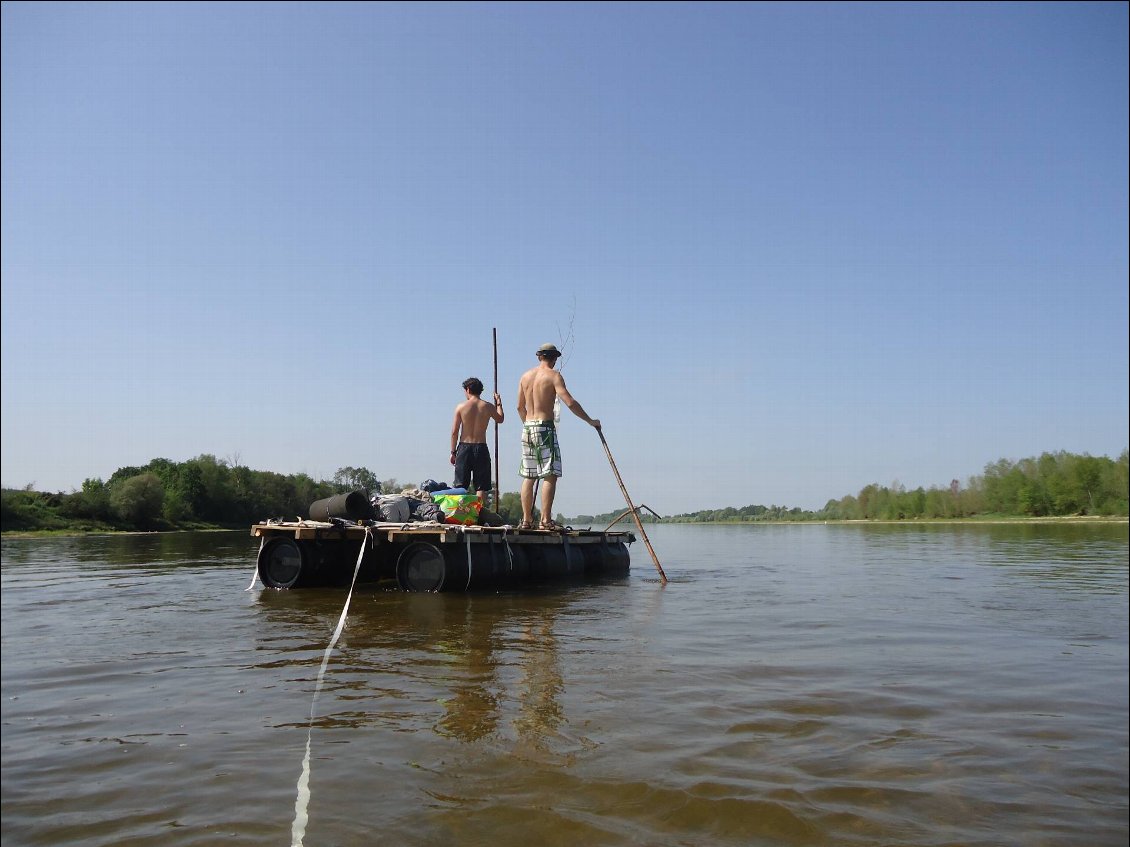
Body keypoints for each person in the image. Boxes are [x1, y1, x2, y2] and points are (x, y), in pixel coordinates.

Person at [516, 343, 600, 531]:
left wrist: (528, 425)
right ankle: (545, 520)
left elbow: (520, 407)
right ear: (554, 359)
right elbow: (569, 402)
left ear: (539, 357)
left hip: (527, 427)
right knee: (550, 474)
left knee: (529, 476)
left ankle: (526, 520)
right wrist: (590, 420)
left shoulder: (525, 376)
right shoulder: (554, 376)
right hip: (544, 428)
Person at [450, 377, 504, 504]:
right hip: (481, 447)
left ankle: (460, 514)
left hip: (464, 447)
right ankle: (478, 513)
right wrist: (499, 403)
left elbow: (454, 431)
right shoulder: (488, 407)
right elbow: (500, 419)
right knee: (481, 486)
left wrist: (453, 451)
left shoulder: (461, 407)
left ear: (468, 389)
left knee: (460, 485)